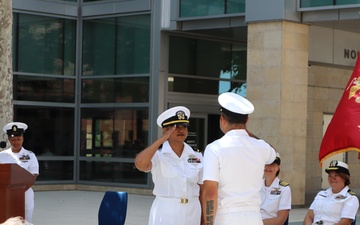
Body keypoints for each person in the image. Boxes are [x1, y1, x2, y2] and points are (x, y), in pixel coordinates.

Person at [201, 92, 277, 225]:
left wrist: (208, 223)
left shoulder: (214, 148)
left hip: (226, 218)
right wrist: (247, 132)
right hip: (254, 218)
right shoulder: (261, 147)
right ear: (247, 121)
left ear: (223, 119)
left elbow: (210, 192)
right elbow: (273, 153)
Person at [134, 106, 203, 225]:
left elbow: (203, 188)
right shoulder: (158, 155)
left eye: (184, 126)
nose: (181, 130)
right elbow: (140, 164)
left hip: (193, 210)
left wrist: (205, 216)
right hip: (166, 211)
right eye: (176, 127)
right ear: (165, 130)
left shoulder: (196, 156)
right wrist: (161, 140)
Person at [0, 122, 39, 224]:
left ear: (23, 139)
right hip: (5, 193)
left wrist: (18, 191)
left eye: (18, 139)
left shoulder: (30, 155)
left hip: (25, 193)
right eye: (13, 140)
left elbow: (34, 175)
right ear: (9, 140)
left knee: (26, 218)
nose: (16, 142)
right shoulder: (2, 155)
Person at [303, 160, 359, 225]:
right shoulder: (321, 194)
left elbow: (345, 222)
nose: (332, 178)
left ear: (345, 177)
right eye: (330, 175)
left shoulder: (350, 198)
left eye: (336, 175)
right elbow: (309, 216)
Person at [261, 153, 291, 225]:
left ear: (278, 168)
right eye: (267, 164)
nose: (269, 168)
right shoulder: (256, 186)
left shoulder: (284, 189)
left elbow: (280, 221)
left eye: (272, 165)